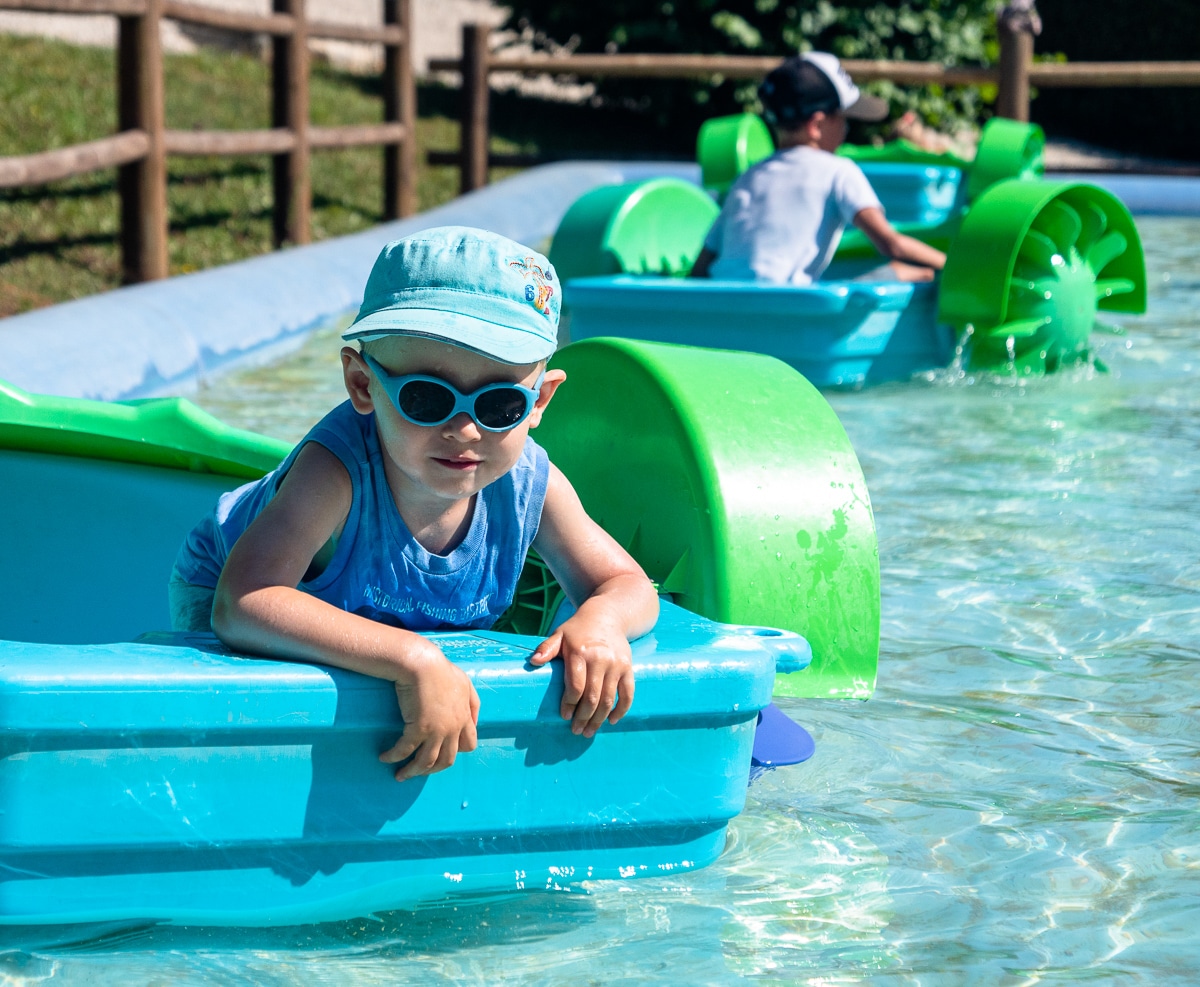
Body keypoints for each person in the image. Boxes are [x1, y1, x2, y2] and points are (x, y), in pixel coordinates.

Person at [170, 226, 660, 780]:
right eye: (426, 397)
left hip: (384, 607)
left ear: (540, 401)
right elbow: (243, 604)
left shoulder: (529, 483)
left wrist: (600, 622)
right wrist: (413, 658)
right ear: (362, 385)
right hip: (235, 579)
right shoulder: (335, 475)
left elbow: (628, 585)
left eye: (500, 404)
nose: (466, 429)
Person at [691, 52, 946, 285]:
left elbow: (701, 268)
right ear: (817, 125)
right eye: (843, 120)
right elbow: (892, 245)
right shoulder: (839, 171)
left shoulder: (749, 177)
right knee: (904, 271)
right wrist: (953, 265)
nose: (846, 130)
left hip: (723, 303)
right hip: (789, 310)